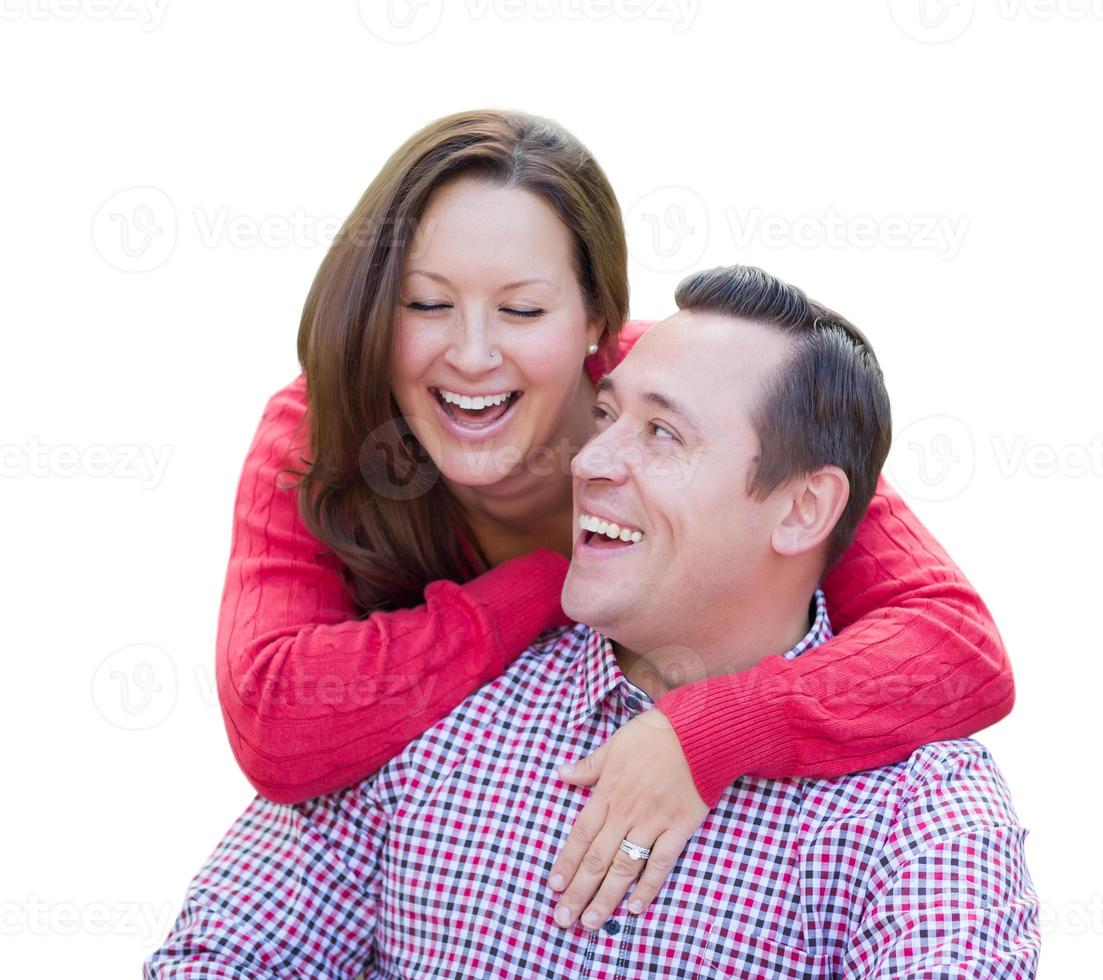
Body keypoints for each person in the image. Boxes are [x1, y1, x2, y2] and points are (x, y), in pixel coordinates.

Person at [216, 108, 1013, 925]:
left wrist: (709, 730)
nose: (473, 354)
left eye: (523, 311)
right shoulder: (324, 430)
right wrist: (545, 583)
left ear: (594, 320)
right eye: (426, 304)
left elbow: (954, 647)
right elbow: (276, 720)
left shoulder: (683, 397)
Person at [149, 266, 1038, 978]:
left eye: (661, 436)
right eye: (607, 415)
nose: (589, 460)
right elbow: (213, 959)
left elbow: (960, 642)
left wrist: (712, 730)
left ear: (804, 511)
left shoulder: (921, 816)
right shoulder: (437, 708)